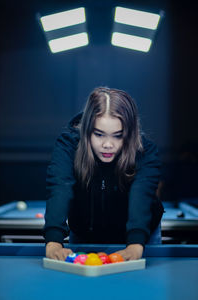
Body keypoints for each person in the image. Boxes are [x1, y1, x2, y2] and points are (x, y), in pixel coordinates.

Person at [44, 87, 164, 261]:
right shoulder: (69, 145)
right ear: (87, 131)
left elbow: (142, 194)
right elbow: (59, 185)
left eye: (118, 136)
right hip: (85, 234)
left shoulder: (145, 151)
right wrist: (53, 241)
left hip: (140, 236)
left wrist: (136, 244)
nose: (108, 144)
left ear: (129, 134)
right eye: (99, 134)